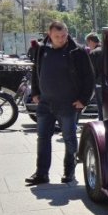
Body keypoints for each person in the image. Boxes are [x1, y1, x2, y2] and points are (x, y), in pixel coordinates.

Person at [25, 21, 95, 185]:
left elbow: (89, 77)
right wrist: (35, 92)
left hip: (68, 104)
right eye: (57, 36)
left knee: (69, 139)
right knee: (43, 138)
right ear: (50, 35)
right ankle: (41, 174)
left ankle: (69, 173)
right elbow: (36, 70)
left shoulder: (77, 51)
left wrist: (84, 100)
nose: (61, 39)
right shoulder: (42, 49)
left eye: (64, 35)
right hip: (45, 103)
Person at [85, 32, 104, 120]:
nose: (88, 46)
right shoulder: (106, 49)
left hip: (99, 85)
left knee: (101, 108)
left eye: (88, 43)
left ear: (90, 41)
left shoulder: (94, 53)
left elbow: (91, 72)